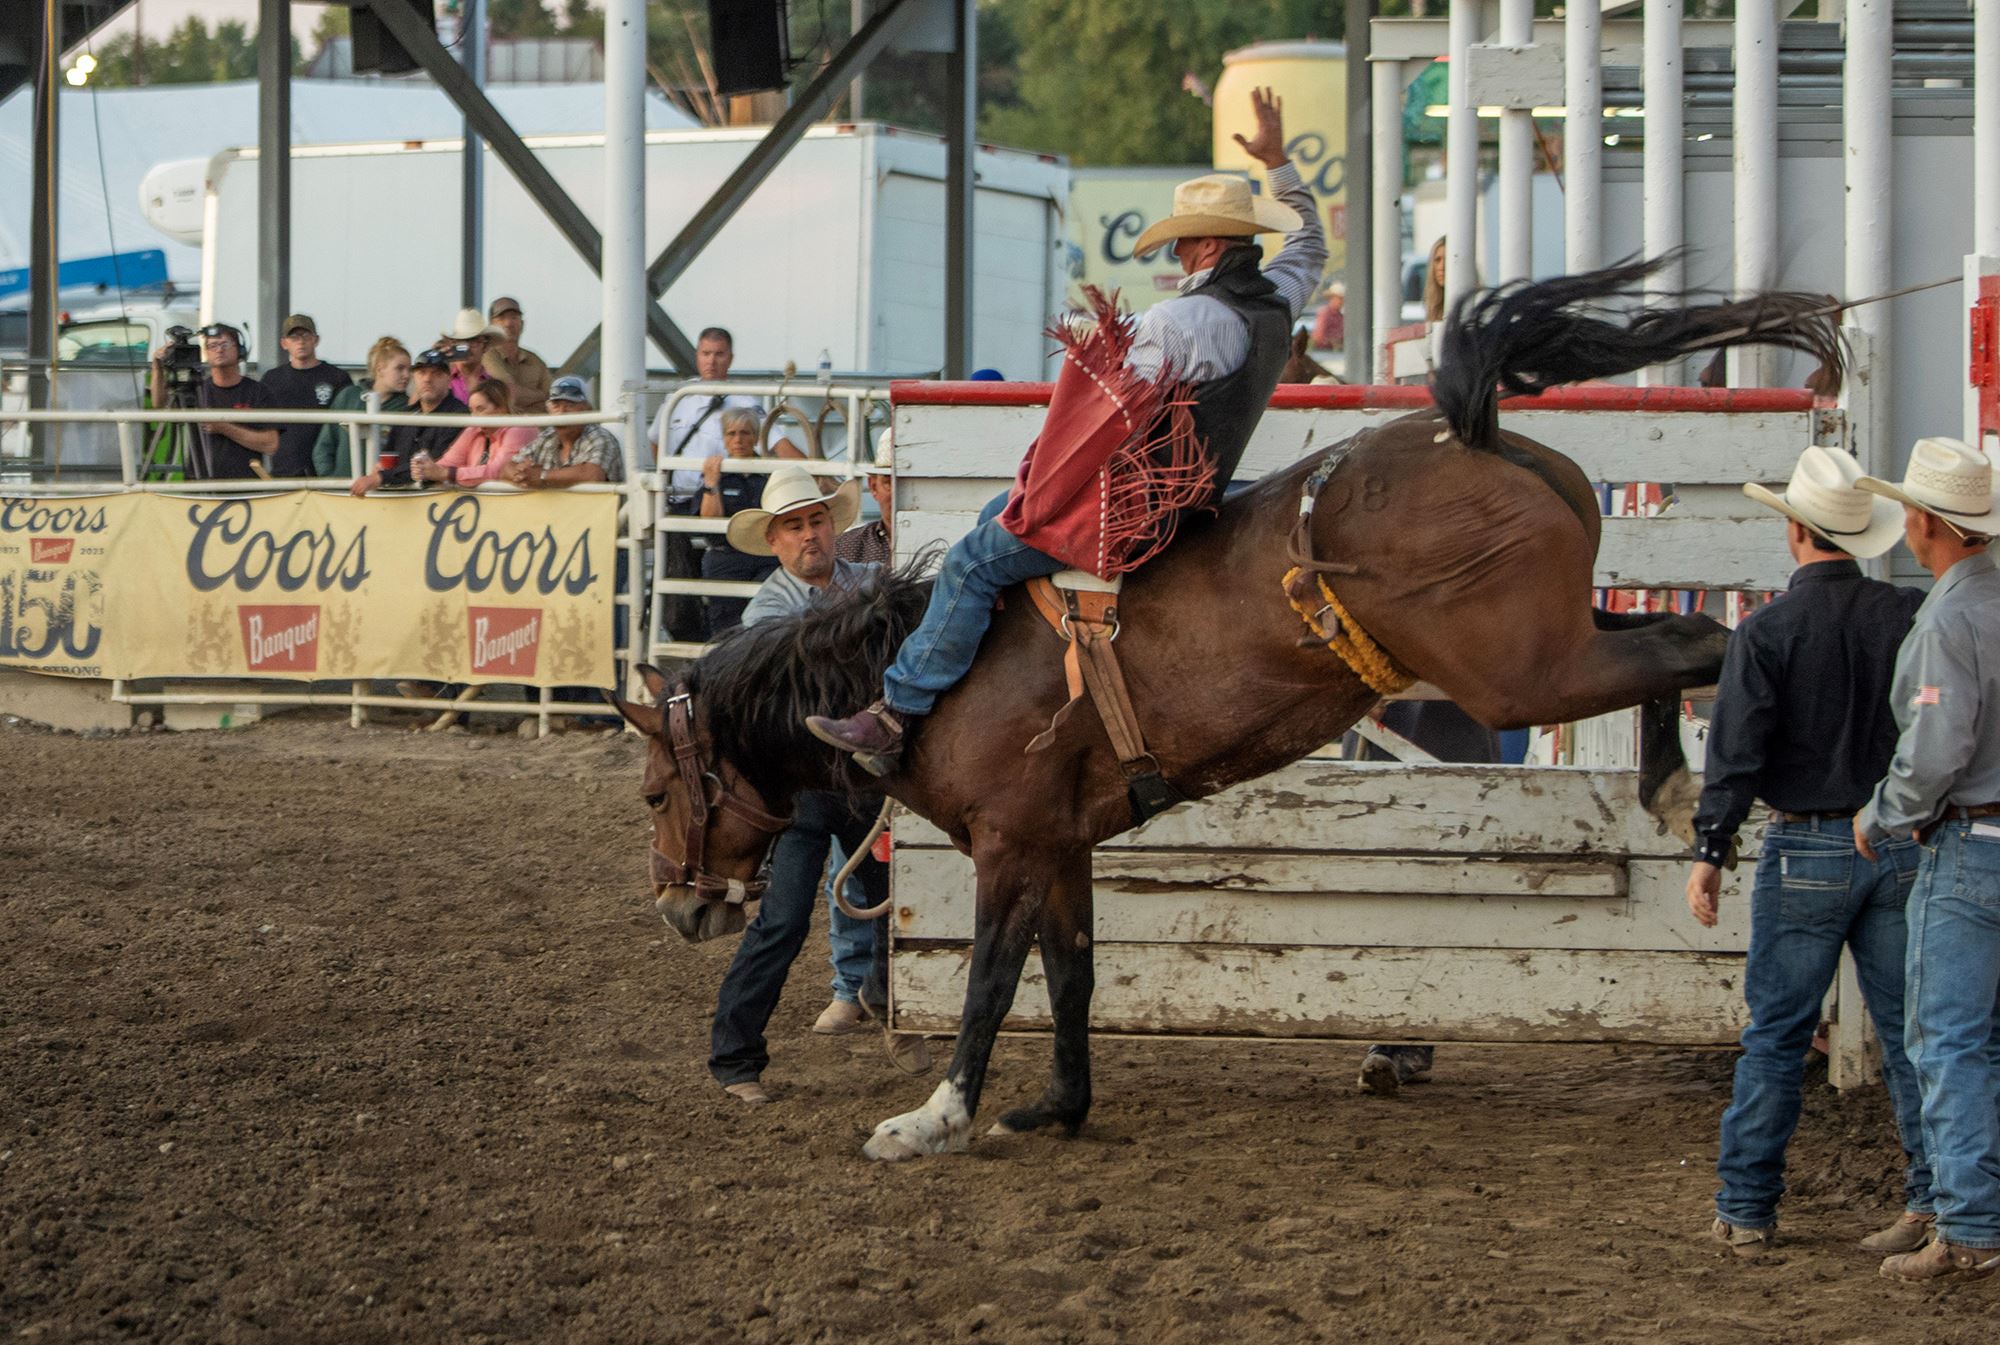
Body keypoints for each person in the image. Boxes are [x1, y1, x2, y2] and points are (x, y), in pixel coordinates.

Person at [809, 86, 1325, 773]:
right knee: (996, 519)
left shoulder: (1177, 324)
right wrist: (1278, 163)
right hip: (1197, 495)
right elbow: (1310, 241)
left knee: (972, 560)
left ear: (1204, 244)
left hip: (1137, 510)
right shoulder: (1277, 299)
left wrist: (1044, 484)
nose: (1177, 255)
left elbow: (1110, 420)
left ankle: (896, 713)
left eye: (1183, 243)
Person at [1677, 445, 1929, 1260]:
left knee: (1778, 1036)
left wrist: (1711, 847)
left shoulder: (1767, 631)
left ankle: (1748, 1207)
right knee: (1912, 1034)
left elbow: (1736, 752)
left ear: (1795, 531)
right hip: (1895, 838)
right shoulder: (1905, 615)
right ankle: (1933, 1200)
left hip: (1805, 844)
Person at [710, 466, 932, 1102]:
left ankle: (880, 995)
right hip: (807, 790)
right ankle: (735, 1058)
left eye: (816, 521)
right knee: (782, 922)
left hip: (865, 783)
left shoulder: (870, 585)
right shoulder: (768, 613)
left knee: (894, 902)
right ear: (774, 541)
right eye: (794, 527)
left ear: (832, 527)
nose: (809, 534)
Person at [1852, 437, 2000, 1281]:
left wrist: (1884, 812)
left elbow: (1938, 746)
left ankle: (1970, 1225)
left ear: (1924, 522)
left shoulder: (1948, 618)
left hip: (1969, 841)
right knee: (1986, 1040)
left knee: (1945, 1041)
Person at [1346, 697, 1502, 1096]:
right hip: (1382, 727)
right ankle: (1395, 1036)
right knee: (1377, 881)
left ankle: (1405, 1039)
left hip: (1445, 725)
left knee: (1436, 883)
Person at [813, 428, 901, 1035]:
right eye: (891, 481)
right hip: (863, 709)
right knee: (854, 846)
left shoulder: (854, 553)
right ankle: (852, 983)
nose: (898, 491)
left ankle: (876, 984)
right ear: (875, 485)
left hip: (904, 710)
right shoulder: (850, 550)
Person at [649, 327, 762, 641]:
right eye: (706, 354)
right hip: (679, 504)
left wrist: (814, 471)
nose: (712, 361)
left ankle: (718, 646)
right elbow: (656, 443)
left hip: (726, 505)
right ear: (697, 356)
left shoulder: (744, 400)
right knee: (678, 593)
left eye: (719, 354)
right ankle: (690, 647)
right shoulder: (679, 398)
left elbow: (773, 442)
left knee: (725, 588)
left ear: (730, 358)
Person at [148, 322, 277, 480]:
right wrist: (157, 367)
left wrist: (224, 427)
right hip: (200, 481)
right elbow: (159, 404)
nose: (219, 350)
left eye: (225, 344)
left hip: (245, 483)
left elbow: (271, 444)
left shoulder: (258, 391)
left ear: (240, 350)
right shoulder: (195, 390)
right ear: (206, 352)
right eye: (213, 346)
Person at [695, 407, 782, 636]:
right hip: (726, 556)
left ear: (756, 437)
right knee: (725, 628)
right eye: (731, 433)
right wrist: (711, 483)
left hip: (766, 556)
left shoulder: (771, 472)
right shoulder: (715, 472)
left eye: (745, 433)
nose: (738, 440)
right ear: (724, 438)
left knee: (767, 620)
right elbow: (709, 523)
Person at [348, 349, 465, 495]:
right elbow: (389, 455)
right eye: (422, 373)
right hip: (401, 499)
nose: (427, 379)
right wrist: (381, 468)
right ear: (414, 377)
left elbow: (434, 463)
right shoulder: (406, 415)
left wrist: (382, 477)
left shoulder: (459, 415)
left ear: (449, 379)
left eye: (436, 374)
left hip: (440, 499)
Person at [257, 314, 352, 477]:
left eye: (306, 335)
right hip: (284, 472)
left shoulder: (337, 377)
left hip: (327, 473)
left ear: (316, 340)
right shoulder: (272, 379)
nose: (300, 341)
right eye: (294, 337)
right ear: (284, 343)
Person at [312, 336, 410, 478]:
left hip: (385, 488)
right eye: (400, 368)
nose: (406, 375)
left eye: (409, 369)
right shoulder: (348, 397)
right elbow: (324, 446)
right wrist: (330, 480)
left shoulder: (407, 406)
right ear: (380, 369)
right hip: (343, 487)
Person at [503, 375, 623, 488]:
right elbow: (506, 468)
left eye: (570, 405)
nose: (562, 411)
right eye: (556, 405)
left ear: (587, 407)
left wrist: (542, 476)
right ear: (548, 408)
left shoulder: (600, 437)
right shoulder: (547, 436)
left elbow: (593, 475)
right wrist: (521, 475)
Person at [417, 378, 537, 488]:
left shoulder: (521, 429)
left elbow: (498, 472)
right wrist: (425, 469)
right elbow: (446, 465)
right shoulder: (473, 430)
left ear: (501, 408)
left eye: (480, 409)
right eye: (471, 411)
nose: (474, 418)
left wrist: (447, 474)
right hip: (477, 500)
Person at [481, 296, 552, 415]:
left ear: (522, 324)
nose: (508, 323)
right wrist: (541, 395)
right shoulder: (487, 355)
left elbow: (553, 398)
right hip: (503, 425)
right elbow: (509, 393)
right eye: (501, 318)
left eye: (514, 317)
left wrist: (541, 397)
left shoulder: (535, 360)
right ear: (491, 325)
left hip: (537, 425)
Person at [835, 428, 894, 568]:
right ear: (873, 486)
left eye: (911, 484)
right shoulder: (845, 548)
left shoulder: (945, 544)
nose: (900, 492)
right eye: (889, 483)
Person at [440, 308, 500, 403]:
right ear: (453, 345)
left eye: (473, 341)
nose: (467, 347)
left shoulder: (494, 387)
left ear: (485, 346)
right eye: (461, 342)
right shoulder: (441, 380)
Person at [1310, 282, 1345, 351]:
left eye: (1343, 299)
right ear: (1332, 298)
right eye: (1340, 298)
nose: (1342, 302)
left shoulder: (1341, 316)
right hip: (1324, 351)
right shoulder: (1325, 313)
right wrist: (1333, 342)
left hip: (1337, 352)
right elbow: (1319, 336)